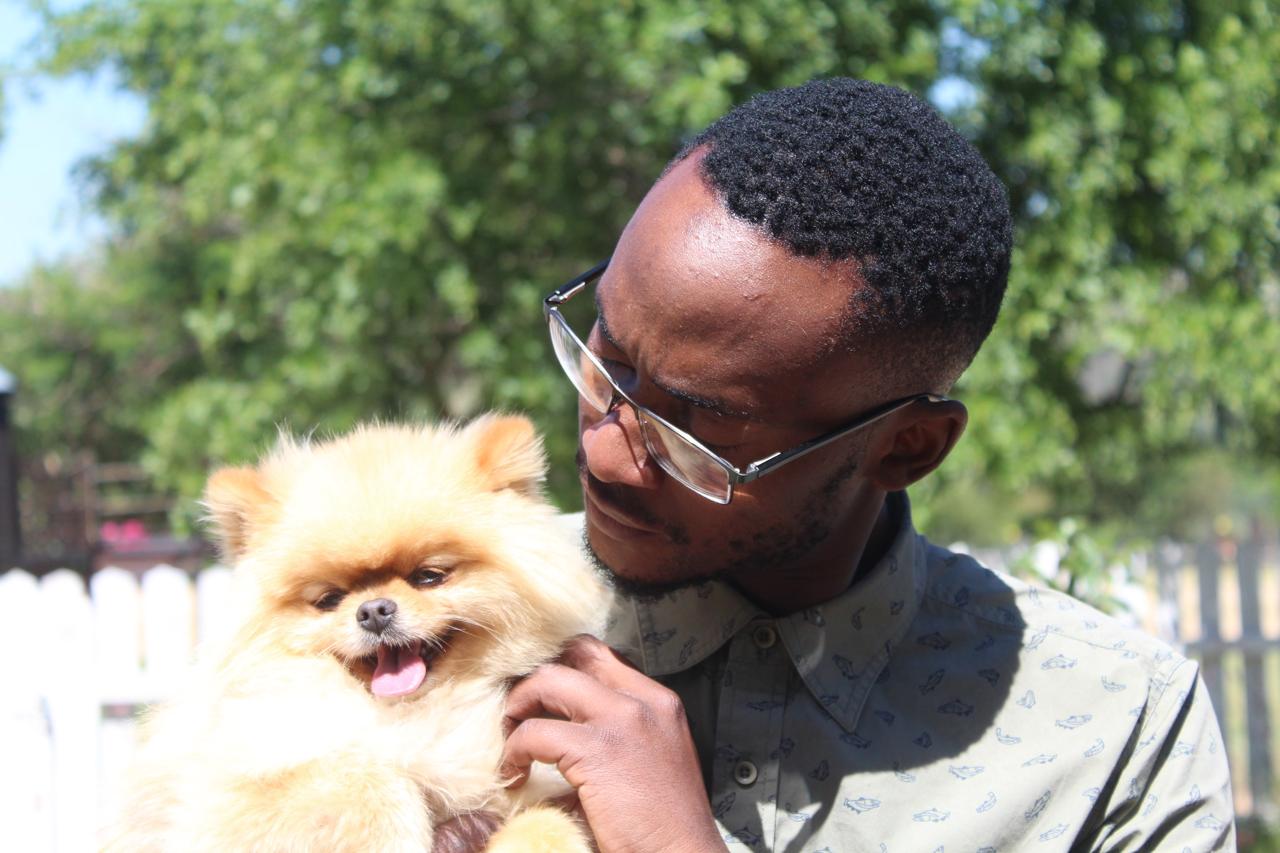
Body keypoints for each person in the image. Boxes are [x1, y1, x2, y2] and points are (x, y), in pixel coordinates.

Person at [496, 78, 1235, 851]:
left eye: (700, 430)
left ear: (906, 447)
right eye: (603, 358)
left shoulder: (1122, 731)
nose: (604, 453)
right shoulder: (443, 614)